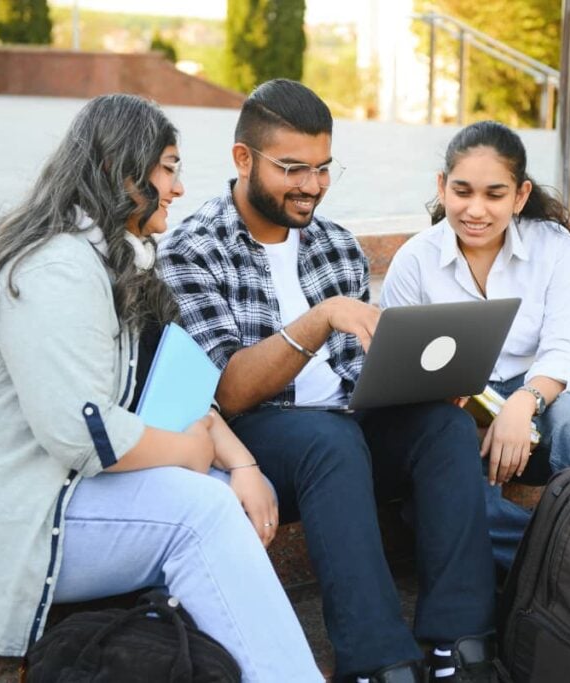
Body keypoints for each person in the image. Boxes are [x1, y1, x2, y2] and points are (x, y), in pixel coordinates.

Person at [0, 93, 322, 682]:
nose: (178, 188)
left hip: (49, 489)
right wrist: (189, 453)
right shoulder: (56, 269)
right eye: (169, 168)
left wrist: (239, 461)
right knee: (202, 512)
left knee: (216, 494)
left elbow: (165, 383)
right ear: (125, 172)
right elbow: (81, 433)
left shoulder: (104, 257)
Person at [158, 80, 500, 683]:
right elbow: (229, 392)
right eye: (293, 168)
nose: (312, 186)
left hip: (346, 426)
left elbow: (359, 375)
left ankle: (461, 644)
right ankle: (378, 662)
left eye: (322, 168)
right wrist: (319, 320)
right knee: (329, 441)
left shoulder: (336, 243)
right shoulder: (192, 250)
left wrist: (420, 383)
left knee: (444, 426)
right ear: (243, 159)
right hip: (259, 442)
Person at [380, 120, 570, 570]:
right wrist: (461, 416)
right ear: (442, 187)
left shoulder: (551, 246)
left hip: (538, 403)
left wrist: (523, 404)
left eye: (494, 195)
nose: (475, 210)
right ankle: (563, 560)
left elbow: (565, 348)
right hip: (454, 410)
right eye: (462, 191)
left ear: (519, 196)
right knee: (442, 500)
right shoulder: (415, 260)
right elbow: (399, 371)